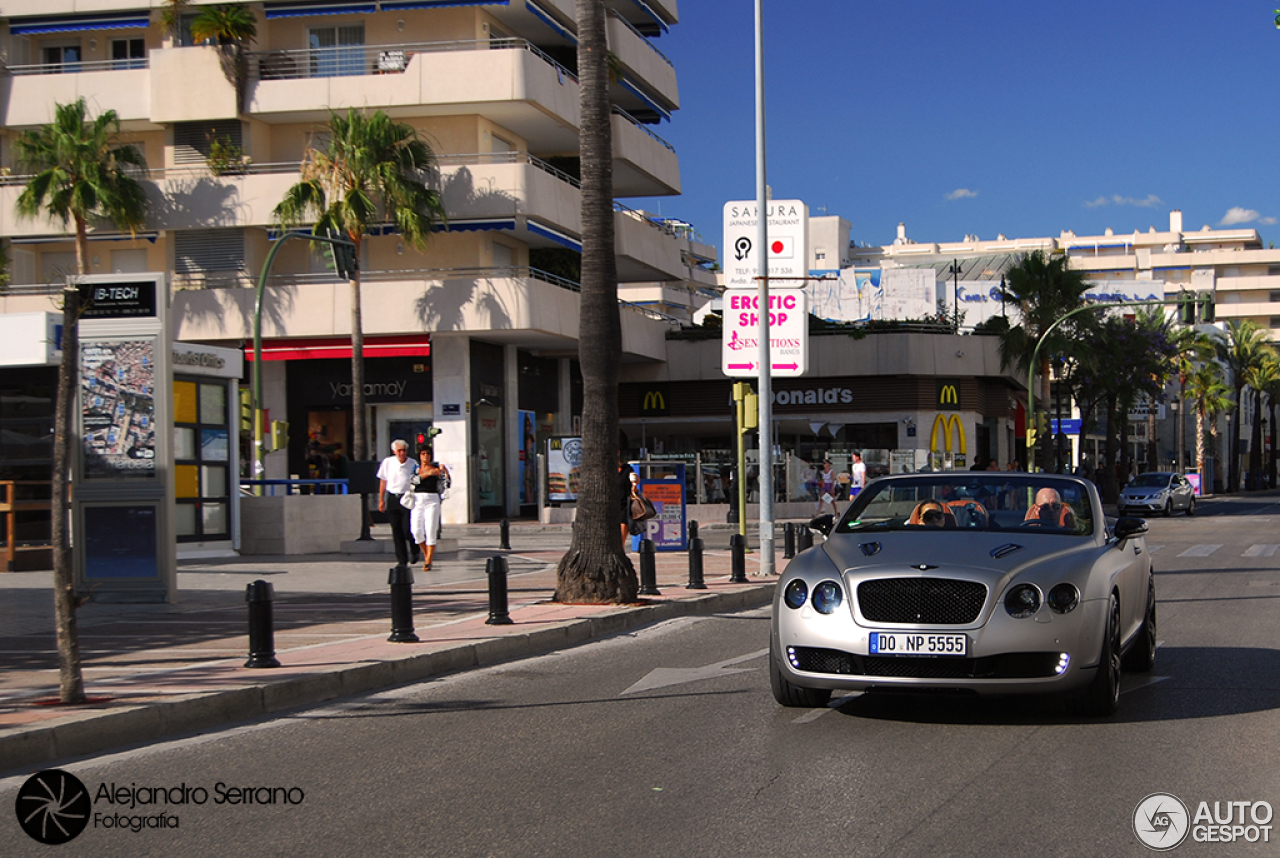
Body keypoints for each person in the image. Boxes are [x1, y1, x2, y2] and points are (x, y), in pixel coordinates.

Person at [377, 439, 420, 567]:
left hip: (407, 498)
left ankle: (414, 549)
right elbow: (383, 481)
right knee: (396, 530)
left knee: (407, 529)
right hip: (393, 497)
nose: (402, 453)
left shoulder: (413, 463)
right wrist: (381, 499)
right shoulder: (388, 462)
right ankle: (402, 559)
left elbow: (417, 481)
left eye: (404, 450)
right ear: (394, 451)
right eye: (399, 451)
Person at [411, 446, 449, 572]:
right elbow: (412, 481)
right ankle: (426, 553)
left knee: (431, 529)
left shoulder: (436, 469)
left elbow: (446, 484)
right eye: (423, 453)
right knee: (416, 530)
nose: (425, 456)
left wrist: (445, 473)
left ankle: (428, 560)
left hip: (432, 499)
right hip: (417, 499)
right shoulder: (416, 469)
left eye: (427, 453)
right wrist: (427, 474)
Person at [619, 451, 638, 548]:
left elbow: (635, 480)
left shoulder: (627, 469)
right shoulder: (607, 471)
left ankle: (620, 552)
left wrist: (635, 484)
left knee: (621, 537)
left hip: (624, 505)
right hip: (610, 506)